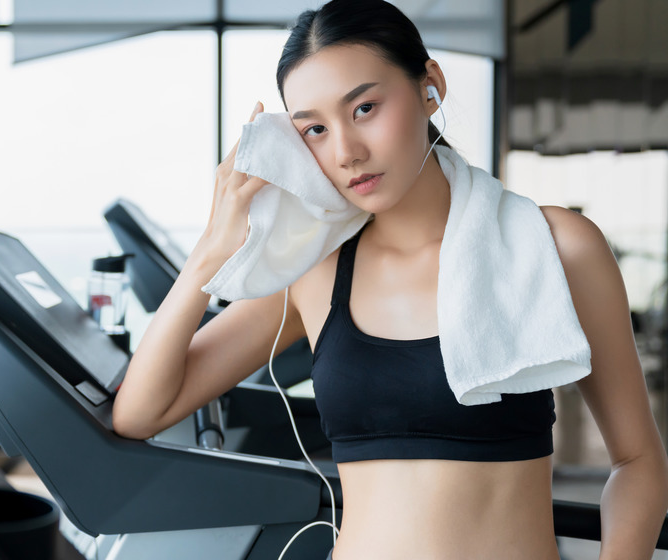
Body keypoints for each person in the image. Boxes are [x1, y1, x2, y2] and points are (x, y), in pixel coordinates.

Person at [110, 0, 668, 557]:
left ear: (430, 85)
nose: (346, 152)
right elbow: (142, 413)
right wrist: (209, 255)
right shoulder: (315, 270)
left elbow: (638, 462)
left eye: (365, 108)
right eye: (314, 130)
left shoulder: (554, 246)